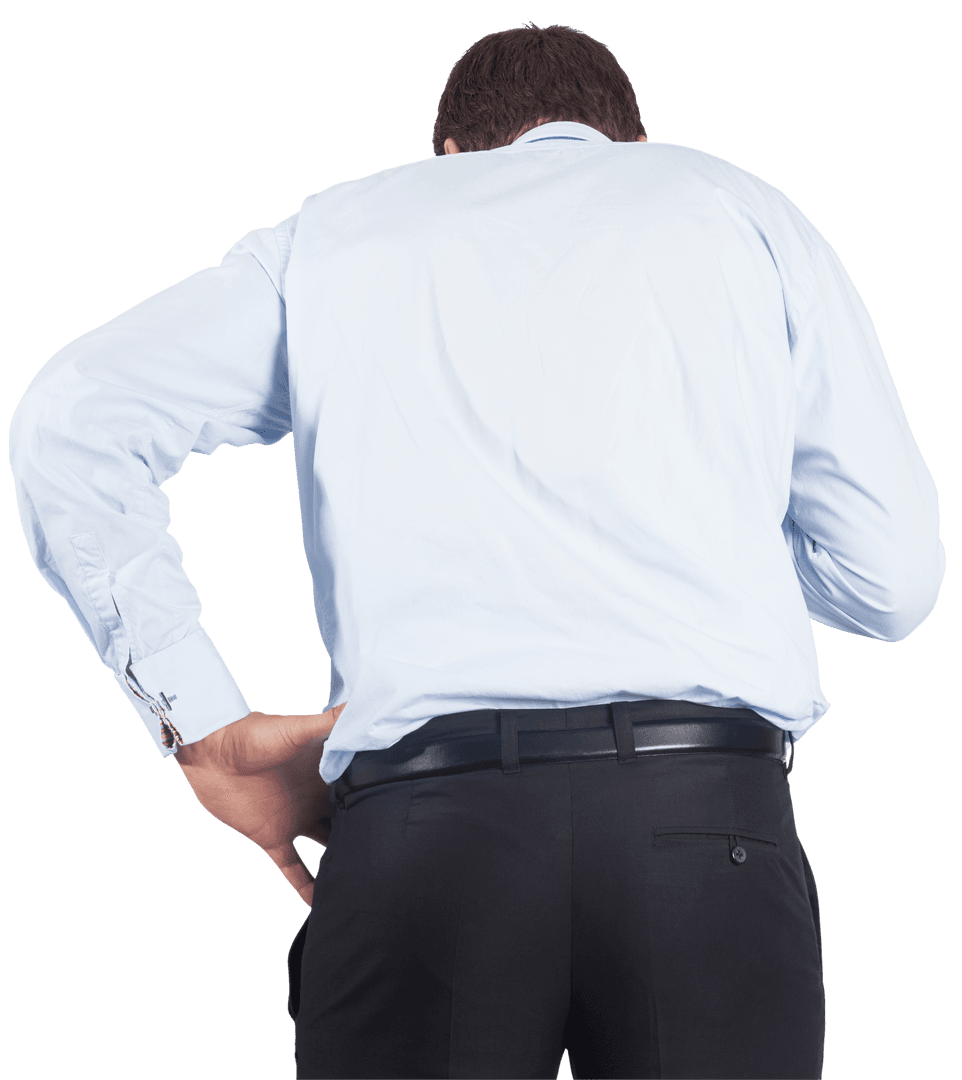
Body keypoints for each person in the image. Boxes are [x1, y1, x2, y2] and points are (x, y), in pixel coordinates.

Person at [8, 17, 944, 1080]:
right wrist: (693, 544)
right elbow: (893, 579)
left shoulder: (339, 232)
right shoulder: (738, 209)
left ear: (447, 156)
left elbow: (71, 420)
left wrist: (206, 730)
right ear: (630, 146)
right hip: (705, 829)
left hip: (425, 835)